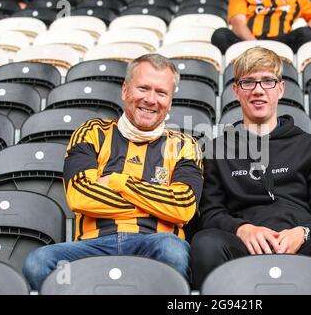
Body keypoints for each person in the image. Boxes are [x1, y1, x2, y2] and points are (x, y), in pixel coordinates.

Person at [190, 46, 311, 289]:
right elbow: (211, 214)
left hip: (305, 246)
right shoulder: (217, 150)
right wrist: (242, 229)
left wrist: (303, 233)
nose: (258, 90)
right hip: (245, 247)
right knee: (205, 242)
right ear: (236, 90)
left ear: (280, 88)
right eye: (248, 82)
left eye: (268, 81)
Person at [23, 54, 203, 291]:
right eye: (143, 88)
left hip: (154, 245)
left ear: (170, 102)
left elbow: (183, 208)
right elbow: (80, 196)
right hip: (91, 246)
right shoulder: (91, 132)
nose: (150, 99)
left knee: (173, 251)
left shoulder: (184, 144)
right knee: (39, 262)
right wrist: (158, 204)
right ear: (125, 90)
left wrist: (119, 182)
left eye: (161, 93)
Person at [212, 0, 311, 54]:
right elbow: (238, 22)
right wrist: (256, 47)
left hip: (282, 43)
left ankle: (286, 69)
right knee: (220, 35)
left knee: (306, 33)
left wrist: (309, 28)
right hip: (248, 42)